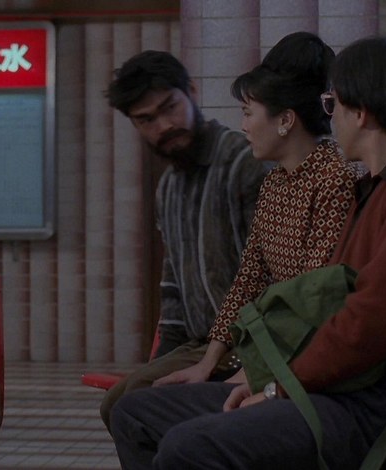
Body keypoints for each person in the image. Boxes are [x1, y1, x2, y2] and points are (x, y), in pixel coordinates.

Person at [110, 35, 386, 469]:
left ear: (362, 112)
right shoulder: (380, 185)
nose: (328, 118)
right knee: (133, 414)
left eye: (333, 104)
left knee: (187, 447)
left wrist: (277, 386)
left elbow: (374, 319)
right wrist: (270, 378)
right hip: (340, 387)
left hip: (375, 405)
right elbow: (315, 298)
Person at [154, 32, 364, 388]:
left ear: (285, 120)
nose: (243, 126)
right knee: (139, 399)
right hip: (265, 349)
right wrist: (209, 360)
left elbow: (312, 298)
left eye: (248, 113)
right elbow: (249, 277)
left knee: (147, 406)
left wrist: (251, 375)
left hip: (303, 359)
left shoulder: (333, 180)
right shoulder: (275, 181)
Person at [99, 50, 268, 428]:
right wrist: (164, 362)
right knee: (124, 401)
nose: (164, 125)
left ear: (191, 91)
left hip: (249, 345)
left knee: (130, 404)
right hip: (198, 344)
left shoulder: (243, 163)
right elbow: (173, 287)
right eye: (146, 120)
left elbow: (273, 274)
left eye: (170, 107)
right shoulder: (169, 189)